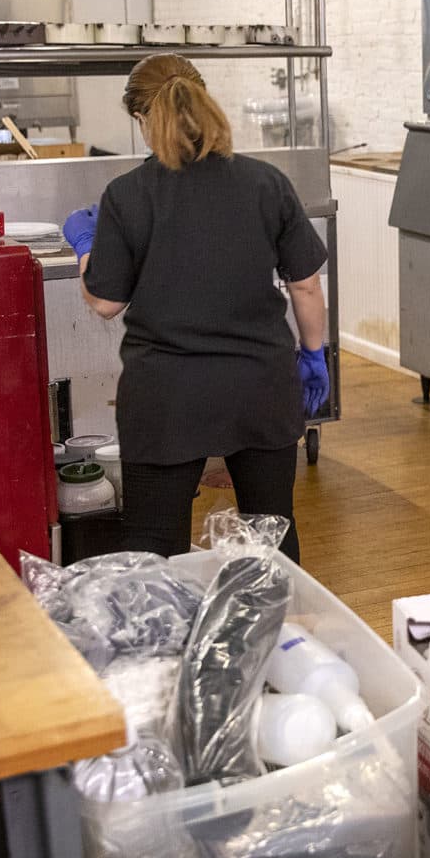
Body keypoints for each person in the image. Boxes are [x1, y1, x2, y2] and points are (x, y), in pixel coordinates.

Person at [62, 54, 330, 562]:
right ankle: (272, 639)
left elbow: (103, 300)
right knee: (269, 533)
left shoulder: (127, 194)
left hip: (167, 395)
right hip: (260, 384)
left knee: (153, 542)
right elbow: (306, 286)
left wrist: (85, 243)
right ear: (203, 99)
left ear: (141, 120)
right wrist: (315, 355)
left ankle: (161, 642)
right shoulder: (266, 182)